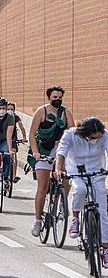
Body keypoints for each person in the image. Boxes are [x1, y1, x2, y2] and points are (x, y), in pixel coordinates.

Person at [55, 118, 108, 254]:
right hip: (76, 172)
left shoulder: (104, 135)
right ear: (84, 134)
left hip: (97, 173)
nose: (97, 138)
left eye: (99, 136)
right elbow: (61, 152)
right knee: (80, 189)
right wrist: (59, 169)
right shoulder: (71, 135)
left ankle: (106, 248)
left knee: (103, 209)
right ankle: (75, 218)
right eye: (93, 137)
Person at [28, 85, 74, 236]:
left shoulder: (65, 112)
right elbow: (32, 134)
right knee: (43, 186)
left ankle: (62, 203)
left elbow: (72, 133)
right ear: (49, 98)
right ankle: (37, 220)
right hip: (43, 150)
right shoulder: (42, 111)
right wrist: (35, 152)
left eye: (60, 97)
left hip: (60, 150)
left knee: (66, 177)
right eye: (55, 97)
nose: (58, 100)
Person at [7, 102, 27, 183]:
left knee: (14, 155)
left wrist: (24, 137)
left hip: (13, 138)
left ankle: (14, 175)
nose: (10, 111)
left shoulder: (16, 117)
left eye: (12, 109)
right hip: (4, 138)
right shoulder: (4, 117)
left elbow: (21, 126)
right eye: (8, 109)